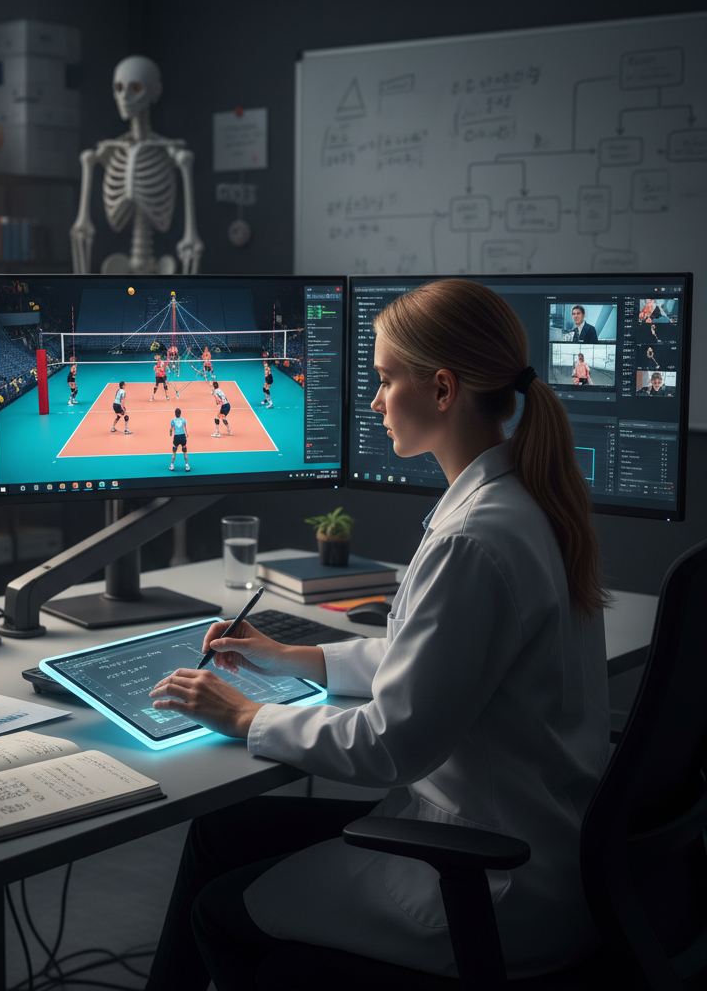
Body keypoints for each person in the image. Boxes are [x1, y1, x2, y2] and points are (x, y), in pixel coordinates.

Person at [145, 278, 610, 990]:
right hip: (538, 846)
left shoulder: (474, 540)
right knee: (218, 835)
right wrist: (291, 656)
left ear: (444, 390)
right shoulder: (521, 502)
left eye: (387, 379)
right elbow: (429, 661)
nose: (373, 400)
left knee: (219, 911)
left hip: (489, 879)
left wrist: (245, 715)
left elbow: (391, 744)